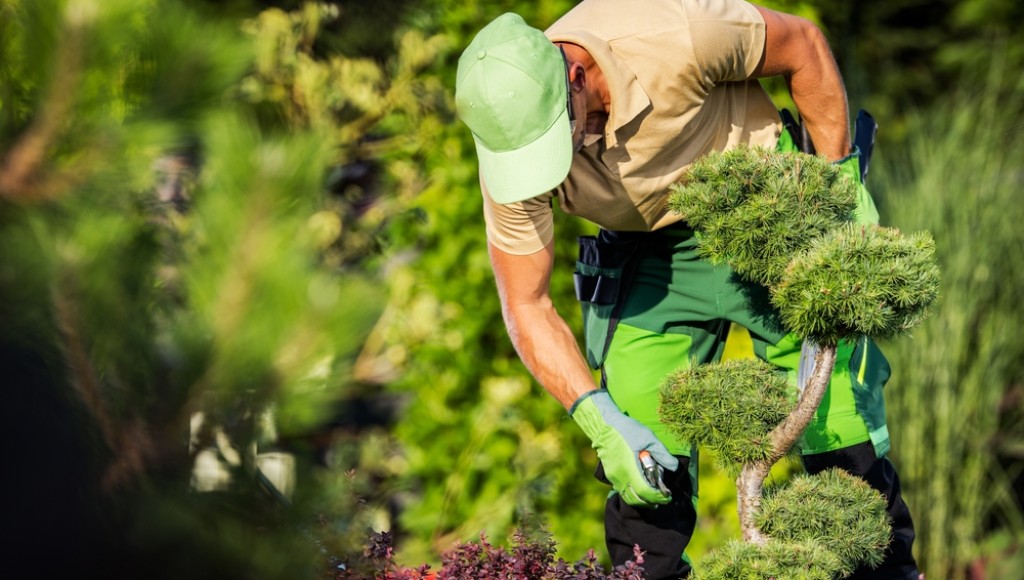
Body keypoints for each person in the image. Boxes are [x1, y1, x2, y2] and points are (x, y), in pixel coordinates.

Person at [454, 1, 921, 578]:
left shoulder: (676, 31)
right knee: (647, 475)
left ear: (575, 75)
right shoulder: (510, 149)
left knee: (838, 435)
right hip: (645, 256)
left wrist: (837, 184)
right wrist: (601, 423)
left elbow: (803, 45)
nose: (551, 165)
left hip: (763, 211)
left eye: (557, 137)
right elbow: (526, 303)